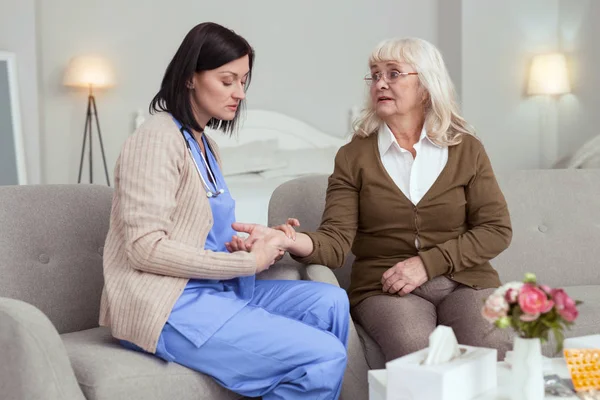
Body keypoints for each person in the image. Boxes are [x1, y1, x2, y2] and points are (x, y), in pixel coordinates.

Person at [99, 22, 349, 400]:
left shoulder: (206, 146)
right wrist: (247, 264)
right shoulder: (155, 139)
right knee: (324, 356)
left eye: (243, 81)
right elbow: (144, 247)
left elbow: (198, 232)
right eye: (227, 80)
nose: (239, 93)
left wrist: (252, 244)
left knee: (331, 301)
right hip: (168, 307)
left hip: (216, 292)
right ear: (189, 78)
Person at [229, 37, 513, 361]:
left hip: (464, 281)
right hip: (386, 287)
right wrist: (287, 239)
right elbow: (335, 242)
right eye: (375, 75)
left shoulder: (466, 149)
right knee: (414, 348)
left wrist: (426, 264)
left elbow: (496, 229)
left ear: (426, 85)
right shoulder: (353, 156)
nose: (380, 83)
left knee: (493, 340)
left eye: (394, 74)